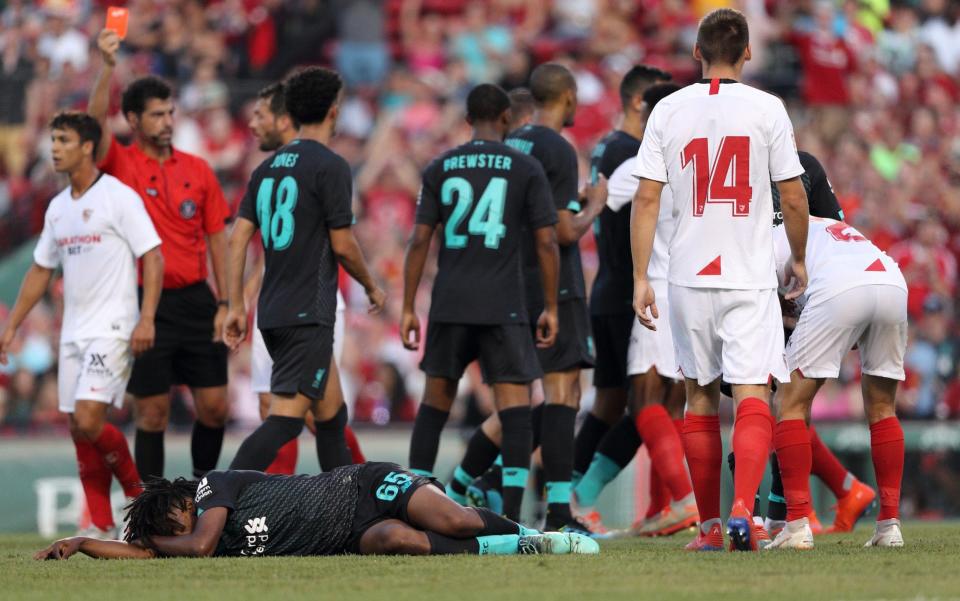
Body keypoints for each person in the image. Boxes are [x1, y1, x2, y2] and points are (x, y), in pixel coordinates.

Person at [631, 8, 810, 551]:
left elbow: (646, 197)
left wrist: (642, 277)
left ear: (696, 54)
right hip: (747, 273)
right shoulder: (767, 108)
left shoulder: (667, 109)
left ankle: (709, 527)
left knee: (700, 396)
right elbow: (795, 195)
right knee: (753, 390)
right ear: (749, 52)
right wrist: (798, 259)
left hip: (685, 276)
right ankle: (743, 509)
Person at [0, 111, 164, 536]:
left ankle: (138, 501)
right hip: (72, 330)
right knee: (77, 425)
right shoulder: (57, 209)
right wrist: (13, 324)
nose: (54, 147)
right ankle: (102, 524)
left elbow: (153, 255)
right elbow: (40, 269)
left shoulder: (118, 197)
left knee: (90, 420)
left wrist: (146, 318)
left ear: (88, 147)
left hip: (112, 327)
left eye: (63, 140)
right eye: (53, 139)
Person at [403, 83, 560, 523]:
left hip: (450, 302)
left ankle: (410, 504)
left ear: (467, 120)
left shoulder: (440, 166)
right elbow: (547, 243)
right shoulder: (524, 167)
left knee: (434, 405)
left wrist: (407, 307)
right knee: (515, 410)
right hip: (503, 305)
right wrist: (550, 305)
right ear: (507, 119)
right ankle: (510, 516)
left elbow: (419, 241)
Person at [224, 67, 385, 472]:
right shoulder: (330, 166)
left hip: (273, 311)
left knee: (331, 418)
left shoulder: (266, 170)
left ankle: (343, 513)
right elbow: (343, 244)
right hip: (307, 312)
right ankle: (213, 496)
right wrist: (371, 286)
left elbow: (237, 238)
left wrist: (235, 305)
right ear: (334, 111)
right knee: (284, 421)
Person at [89, 29, 230, 480]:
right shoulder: (122, 165)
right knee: (151, 413)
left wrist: (227, 302)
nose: (168, 121)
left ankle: (203, 496)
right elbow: (91, 129)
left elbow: (218, 240)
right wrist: (108, 66)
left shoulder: (198, 169)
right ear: (133, 120)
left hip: (196, 299)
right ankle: (152, 507)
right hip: (143, 304)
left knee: (214, 408)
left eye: (170, 112)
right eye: (156, 115)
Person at [574, 71, 696, 539]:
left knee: (643, 403)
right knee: (668, 405)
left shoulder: (641, 164)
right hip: (698, 295)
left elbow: (592, 202)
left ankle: (682, 499)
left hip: (657, 291)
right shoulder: (700, 161)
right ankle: (641, 504)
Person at [34, 463, 600, 559]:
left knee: (451, 519)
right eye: (165, 533)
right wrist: (84, 542)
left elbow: (196, 544)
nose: (175, 533)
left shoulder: (212, 489)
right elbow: (148, 551)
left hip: (363, 486)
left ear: (183, 503)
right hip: (354, 532)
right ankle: (521, 547)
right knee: (395, 544)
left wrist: (156, 544)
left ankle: (534, 531)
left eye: (170, 522)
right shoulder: (184, 540)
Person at [766, 216, 907, 549]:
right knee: (883, 407)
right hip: (890, 280)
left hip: (840, 287)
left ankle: (797, 524)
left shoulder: (764, 239)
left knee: (788, 402)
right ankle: (889, 526)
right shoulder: (822, 223)